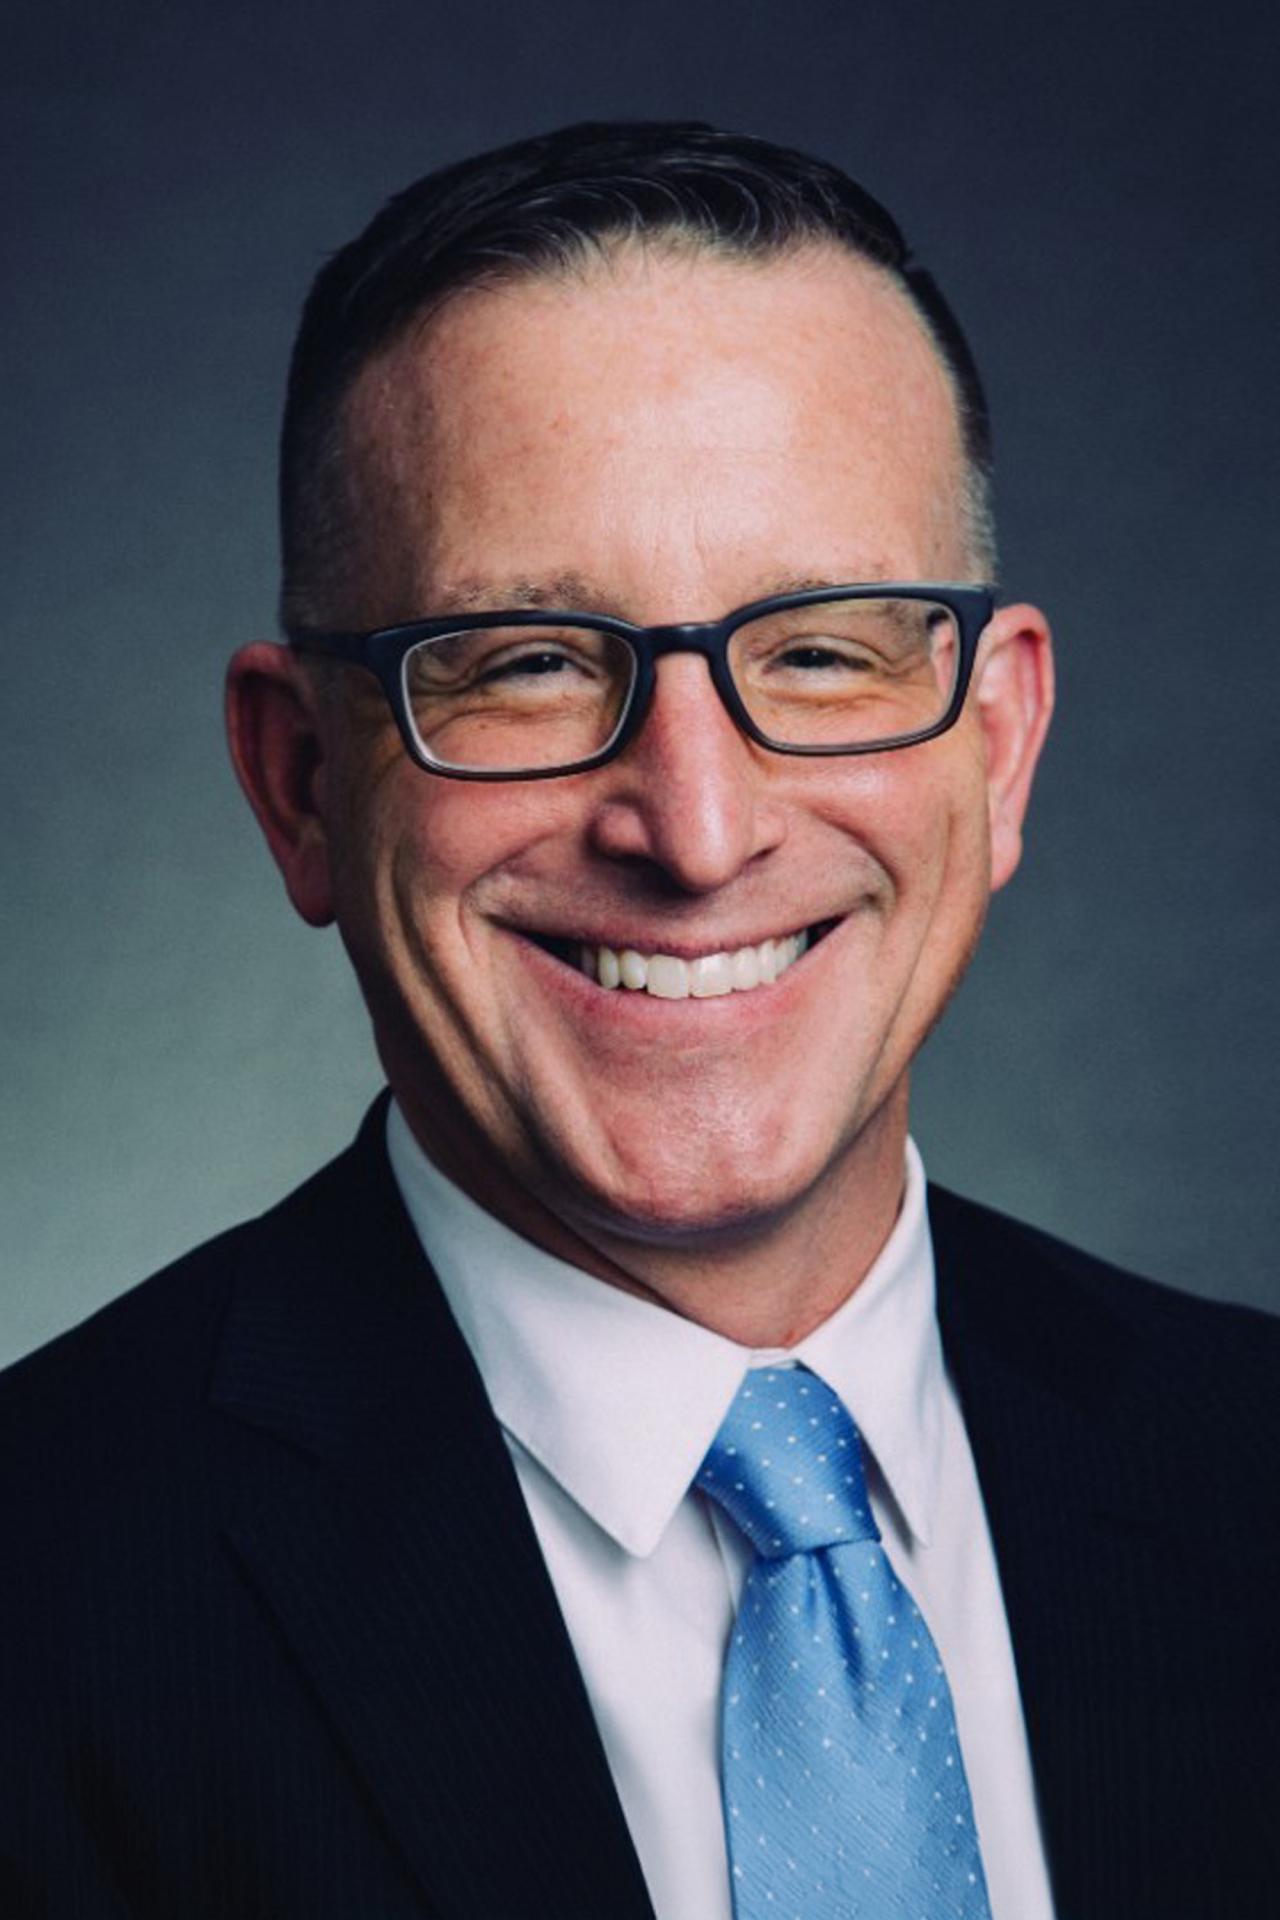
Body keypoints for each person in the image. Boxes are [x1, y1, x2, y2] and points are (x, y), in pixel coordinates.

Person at [1, 120, 1276, 1920]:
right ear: (300, 785)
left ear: (997, 749)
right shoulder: (41, 1596)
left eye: (825, 647)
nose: (698, 826)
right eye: (526, 662)